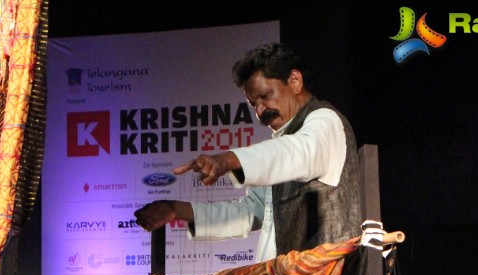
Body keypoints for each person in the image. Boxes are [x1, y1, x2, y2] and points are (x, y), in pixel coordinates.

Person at [134, 43, 361, 261]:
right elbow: (251, 211)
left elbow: (297, 152)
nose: (260, 111)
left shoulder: (325, 121)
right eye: (253, 104)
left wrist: (227, 160)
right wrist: (177, 210)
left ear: (294, 81)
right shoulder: (284, 141)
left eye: (265, 96)